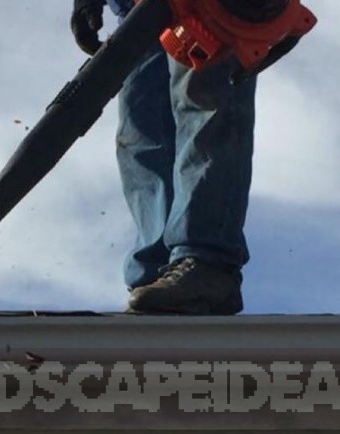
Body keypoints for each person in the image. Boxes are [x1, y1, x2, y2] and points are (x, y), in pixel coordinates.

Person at [71, 0, 258, 315]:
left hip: (207, 7)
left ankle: (205, 263)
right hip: (138, 12)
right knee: (141, 130)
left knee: (203, 99)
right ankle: (158, 274)